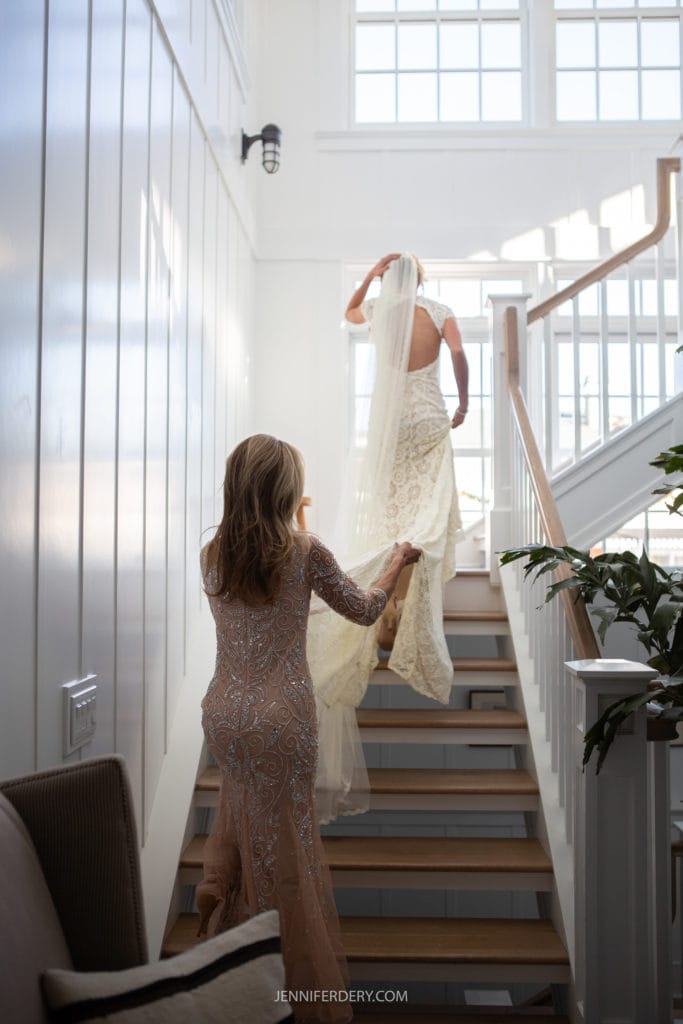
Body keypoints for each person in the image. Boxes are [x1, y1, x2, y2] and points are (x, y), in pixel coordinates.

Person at [196, 433, 420, 1024]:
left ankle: (234, 960)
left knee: (249, 830)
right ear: (285, 489)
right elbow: (366, 609)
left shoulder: (213, 554)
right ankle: (290, 993)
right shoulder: (304, 551)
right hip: (280, 719)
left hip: (224, 715)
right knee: (288, 850)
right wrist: (397, 560)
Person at [307, 252, 468, 822]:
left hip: (390, 424)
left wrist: (371, 274)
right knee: (426, 503)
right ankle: (411, 564)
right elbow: (457, 355)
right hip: (427, 418)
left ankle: (389, 578)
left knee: (391, 509)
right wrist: (466, 400)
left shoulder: (378, 310)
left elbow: (347, 311)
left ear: (388, 280)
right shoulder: (440, 309)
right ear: (421, 279)